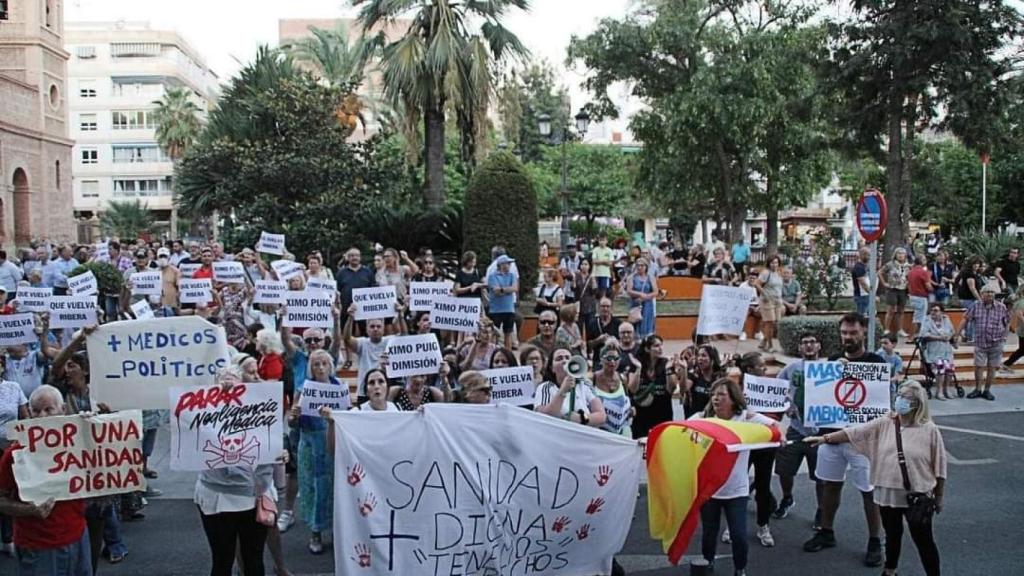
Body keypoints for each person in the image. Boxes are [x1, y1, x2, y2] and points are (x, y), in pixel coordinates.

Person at [805, 381, 946, 576]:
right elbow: (856, 432)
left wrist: (939, 496)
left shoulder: (929, 429)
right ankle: (890, 571)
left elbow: (939, 466)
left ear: (917, 403)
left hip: (917, 496)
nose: (900, 400)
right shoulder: (886, 422)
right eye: (900, 395)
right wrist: (825, 439)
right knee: (892, 535)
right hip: (887, 493)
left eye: (906, 398)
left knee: (923, 540)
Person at [803, 313, 884, 568]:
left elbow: (881, 404)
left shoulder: (875, 363)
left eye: (853, 333)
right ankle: (826, 532)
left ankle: (875, 541)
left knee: (868, 492)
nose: (848, 338)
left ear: (863, 333)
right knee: (830, 485)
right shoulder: (831, 363)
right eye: (844, 333)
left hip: (862, 441)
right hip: (832, 437)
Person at [0, 385, 91, 575]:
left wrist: (95, 426)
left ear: (63, 410)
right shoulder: (16, 454)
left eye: (48, 409)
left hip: (78, 536)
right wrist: (30, 509)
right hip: (38, 546)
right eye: (36, 410)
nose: (42, 416)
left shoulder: (79, 443)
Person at [692, 377, 777, 576]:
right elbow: (676, 430)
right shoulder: (701, 417)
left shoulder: (745, 418)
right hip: (710, 490)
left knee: (739, 535)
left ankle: (740, 569)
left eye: (721, 394)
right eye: (713, 394)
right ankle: (708, 564)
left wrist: (777, 438)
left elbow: (773, 426)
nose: (715, 398)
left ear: (733, 398)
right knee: (709, 535)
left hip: (736, 490)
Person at [195, 371, 274, 576]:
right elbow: (185, 428)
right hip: (217, 496)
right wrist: (217, 399)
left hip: (255, 493)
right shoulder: (203, 412)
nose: (228, 383)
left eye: (233, 377)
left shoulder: (259, 409)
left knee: (253, 559)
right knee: (222, 560)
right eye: (222, 379)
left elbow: (272, 442)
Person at [289, 349, 348, 554]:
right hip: (309, 444)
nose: (320, 368)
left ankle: (335, 529)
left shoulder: (339, 387)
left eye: (324, 363)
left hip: (331, 443)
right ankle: (315, 532)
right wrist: (294, 415)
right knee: (313, 488)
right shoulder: (302, 388)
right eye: (316, 364)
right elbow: (292, 423)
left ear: (330, 365)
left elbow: (347, 416)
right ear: (310, 368)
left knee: (333, 488)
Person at [773, 333, 824, 525]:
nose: (809, 345)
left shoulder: (828, 369)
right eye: (805, 343)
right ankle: (787, 497)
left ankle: (822, 510)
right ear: (800, 348)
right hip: (796, 428)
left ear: (819, 346)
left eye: (813, 341)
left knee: (821, 475)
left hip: (820, 431)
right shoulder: (791, 368)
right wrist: (787, 405)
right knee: (784, 470)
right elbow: (776, 390)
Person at [955, 282, 1009, 401]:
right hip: (980, 342)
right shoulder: (976, 305)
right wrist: (957, 334)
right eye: (987, 292)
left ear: (994, 294)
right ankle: (978, 389)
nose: (989, 294)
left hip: (996, 342)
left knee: (992, 367)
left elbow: (1007, 323)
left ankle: (987, 390)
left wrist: (1004, 337)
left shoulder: (1001, 307)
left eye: (992, 292)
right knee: (978, 366)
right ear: (982, 294)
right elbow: (965, 319)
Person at [533, 347, 607, 427]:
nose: (564, 361)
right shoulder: (545, 387)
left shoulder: (585, 384)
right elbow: (544, 416)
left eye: (568, 358)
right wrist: (562, 391)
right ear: (552, 368)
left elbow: (601, 416)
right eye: (559, 358)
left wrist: (581, 418)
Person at [343, 307, 400, 404]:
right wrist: (350, 318)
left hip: (384, 391)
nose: (375, 329)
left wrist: (400, 315)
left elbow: (403, 335)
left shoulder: (390, 341)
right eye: (372, 326)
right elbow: (347, 338)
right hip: (364, 392)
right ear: (367, 329)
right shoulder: (362, 343)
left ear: (383, 329)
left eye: (378, 326)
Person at [628, 335, 680, 439]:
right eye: (656, 346)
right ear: (647, 349)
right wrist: (638, 369)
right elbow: (632, 389)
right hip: (642, 418)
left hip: (663, 415)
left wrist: (668, 370)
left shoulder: (666, 363)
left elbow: (671, 389)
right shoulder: (637, 364)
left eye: (661, 345)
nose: (660, 348)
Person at [0, 364, 28, 556]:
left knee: (9, 491)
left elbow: (25, 416)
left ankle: (8, 537)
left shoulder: (13, 387)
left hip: (9, 448)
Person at [593, 342, 633, 437]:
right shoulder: (592, 378)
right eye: (608, 358)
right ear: (601, 359)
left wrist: (630, 411)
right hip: (598, 432)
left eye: (616, 358)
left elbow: (627, 401)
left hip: (620, 431)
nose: (612, 362)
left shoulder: (623, 378)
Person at [335, 248, 375, 336]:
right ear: (348, 258)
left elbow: (373, 290)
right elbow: (337, 291)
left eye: (357, 255)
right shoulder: (341, 273)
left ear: (360, 257)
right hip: (346, 310)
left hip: (365, 310)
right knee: (347, 335)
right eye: (352, 256)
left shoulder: (368, 272)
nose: (354, 258)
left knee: (366, 334)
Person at [920, 303, 956, 399]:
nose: (933, 312)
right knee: (941, 367)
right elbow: (924, 334)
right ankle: (939, 391)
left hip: (946, 350)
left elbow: (952, 331)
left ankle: (946, 389)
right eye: (932, 310)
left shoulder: (946, 319)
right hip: (933, 350)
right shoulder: (927, 320)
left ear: (941, 312)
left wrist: (949, 337)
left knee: (949, 369)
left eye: (936, 310)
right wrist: (938, 337)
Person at [486, 255, 519, 350]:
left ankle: (508, 355)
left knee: (508, 334)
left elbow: (515, 288)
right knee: (494, 334)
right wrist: (507, 289)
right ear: (501, 265)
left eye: (509, 264)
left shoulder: (512, 275)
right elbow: (495, 291)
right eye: (507, 263)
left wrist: (501, 289)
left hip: (509, 309)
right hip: (495, 310)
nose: (509, 265)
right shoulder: (493, 276)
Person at [682, 344, 722, 418]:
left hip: (712, 420)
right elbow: (684, 388)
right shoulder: (694, 374)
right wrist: (685, 369)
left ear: (712, 359)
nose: (700, 358)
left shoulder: (719, 378)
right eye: (699, 355)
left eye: (704, 355)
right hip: (694, 419)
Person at [880, 248, 912, 340]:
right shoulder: (890, 264)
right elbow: (880, 272)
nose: (901, 255)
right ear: (895, 255)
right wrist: (884, 283)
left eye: (903, 253)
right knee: (891, 309)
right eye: (899, 253)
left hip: (903, 289)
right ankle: (886, 329)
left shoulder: (908, 266)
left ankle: (900, 329)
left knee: (901, 310)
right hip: (892, 289)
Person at [757, 256, 784, 351]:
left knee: (776, 323)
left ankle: (764, 340)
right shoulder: (765, 273)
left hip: (778, 300)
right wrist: (764, 293)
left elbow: (779, 287)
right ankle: (770, 345)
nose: (774, 265)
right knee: (770, 322)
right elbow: (757, 284)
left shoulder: (779, 273)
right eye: (772, 263)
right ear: (769, 263)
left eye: (776, 262)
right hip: (767, 300)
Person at [625, 258, 658, 338]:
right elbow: (629, 290)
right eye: (638, 265)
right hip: (636, 304)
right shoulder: (631, 277)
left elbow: (655, 292)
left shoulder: (651, 278)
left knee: (647, 323)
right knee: (636, 322)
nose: (639, 267)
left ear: (646, 267)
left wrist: (645, 297)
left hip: (647, 305)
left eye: (642, 265)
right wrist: (640, 294)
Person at [586, 298, 621, 370]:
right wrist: (598, 340)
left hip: (614, 360)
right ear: (599, 308)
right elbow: (589, 345)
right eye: (603, 306)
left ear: (611, 308)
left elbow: (622, 343)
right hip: (598, 360)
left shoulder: (618, 323)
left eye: (608, 306)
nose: (605, 309)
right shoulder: (592, 323)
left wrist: (613, 342)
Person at [954, 256, 982, 342]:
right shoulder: (970, 274)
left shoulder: (965, 273)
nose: (976, 265)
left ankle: (967, 335)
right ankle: (970, 336)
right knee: (971, 318)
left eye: (978, 264)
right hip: (969, 298)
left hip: (964, 298)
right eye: (974, 263)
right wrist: (980, 300)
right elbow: (972, 288)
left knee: (967, 317)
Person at [907, 254, 933, 336]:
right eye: (924, 259)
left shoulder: (911, 272)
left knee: (918, 316)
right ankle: (912, 336)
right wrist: (933, 290)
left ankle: (919, 334)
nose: (926, 261)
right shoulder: (923, 272)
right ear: (921, 261)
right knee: (919, 318)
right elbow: (928, 286)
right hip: (921, 296)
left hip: (912, 296)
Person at [1001, 285, 1024, 372]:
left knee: (1022, 350)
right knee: (1022, 350)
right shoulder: (1022, 302)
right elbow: (1019, 314)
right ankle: (1005, 365)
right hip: (1023, 330)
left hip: (1021, 330)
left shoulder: (1020, 301)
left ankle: (1006, 364)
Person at [574, 259, 597, 329]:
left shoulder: (592, 277)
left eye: (586, 264)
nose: (584, 266)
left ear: (589, 266)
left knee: (590, 327)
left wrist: (593, 279)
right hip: (579, 305)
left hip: (590, 305)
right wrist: (573, 278)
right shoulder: (577, 276)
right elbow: (574, 289)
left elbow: (594, 291)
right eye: (582, 264)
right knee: (578, 327)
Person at [591, 234, 615, 300]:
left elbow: (610, 263)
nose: (602, 242)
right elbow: (594, 261)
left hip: (605, 274)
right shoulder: (595, 250)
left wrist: (599, 262)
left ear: (606, 241)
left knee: (604, 290)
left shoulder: (609, 251)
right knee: (595, 290)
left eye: (603, 240)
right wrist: (604, 261)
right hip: (596, 273)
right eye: (600, 240)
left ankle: (603, 301)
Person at [852, 247, 871, 316]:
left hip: (865, 295)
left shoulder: (863, 266)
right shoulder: (859, 267)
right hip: (862, 295)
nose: (869, 257)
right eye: (868, 255)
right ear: (862, 255)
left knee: (867, 316)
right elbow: (863, 283)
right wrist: (872, 295)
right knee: (862, 317)